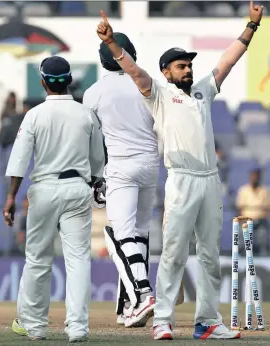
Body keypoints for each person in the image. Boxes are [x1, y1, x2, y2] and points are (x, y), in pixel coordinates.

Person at [96, 1, 264, 340]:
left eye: (188, 65)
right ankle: (163, 320)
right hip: (182, 181)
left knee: (209, 256)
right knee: (173, 252)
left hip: (209, 181)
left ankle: (207, 321)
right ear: (166, 71)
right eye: (180, 65)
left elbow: (227, 62)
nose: (187, 70)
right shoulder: (158, 93)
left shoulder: (203, 90)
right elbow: (134, 72)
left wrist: (251, 26)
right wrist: (113, 44)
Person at [3, 56, 105, 342]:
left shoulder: (35, 115)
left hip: (45, 190)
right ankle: (78, 328)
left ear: (43, 82)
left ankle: (34, 327)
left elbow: (19, 160)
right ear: (70, 80)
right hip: (77, 188)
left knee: (37, 259)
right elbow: (98, 160)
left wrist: (11, 197)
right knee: (78, 261)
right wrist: (96, 183)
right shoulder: (86, 114)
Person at [83, 33, 158, 328]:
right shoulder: (147, 82)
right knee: (139, 235)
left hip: (121, 166)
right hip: (151, 165)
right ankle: (128, 306)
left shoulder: (93, 92)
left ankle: (143, 294)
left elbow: (92, 140)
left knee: (118, 235)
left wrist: (95, 178)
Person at [236, 169, 270, 254]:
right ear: (250, 177)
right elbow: (240, 208)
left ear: (259, 177)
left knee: (262, 233)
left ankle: (262, 254)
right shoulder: (243, 190)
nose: (255, 178)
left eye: (256, 176)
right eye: (253, 176)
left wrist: (262, 218)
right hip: (246, 220)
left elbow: (267, 208)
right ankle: (243, 253)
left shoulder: (264, 191)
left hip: (260, 221)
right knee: (242, 232)